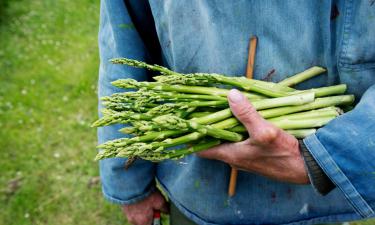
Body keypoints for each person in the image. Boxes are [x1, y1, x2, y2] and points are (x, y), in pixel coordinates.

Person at [97, 1, 375, 224]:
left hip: (319, 199)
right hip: (200, 194)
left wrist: (329, 155)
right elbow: (122, 40)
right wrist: (128, 185)